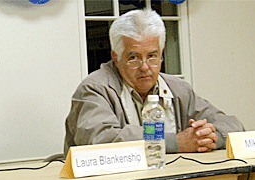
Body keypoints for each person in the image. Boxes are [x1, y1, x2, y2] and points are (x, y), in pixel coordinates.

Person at [64, 9, 245, 156]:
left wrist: (210, 137)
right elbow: (102, 139)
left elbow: (232, 125)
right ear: (116, 58)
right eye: (133, 57)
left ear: (162, 54)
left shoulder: (178, 88)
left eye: (152, 56)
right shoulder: (94, 89)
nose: (145, 67)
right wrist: (176, 142)